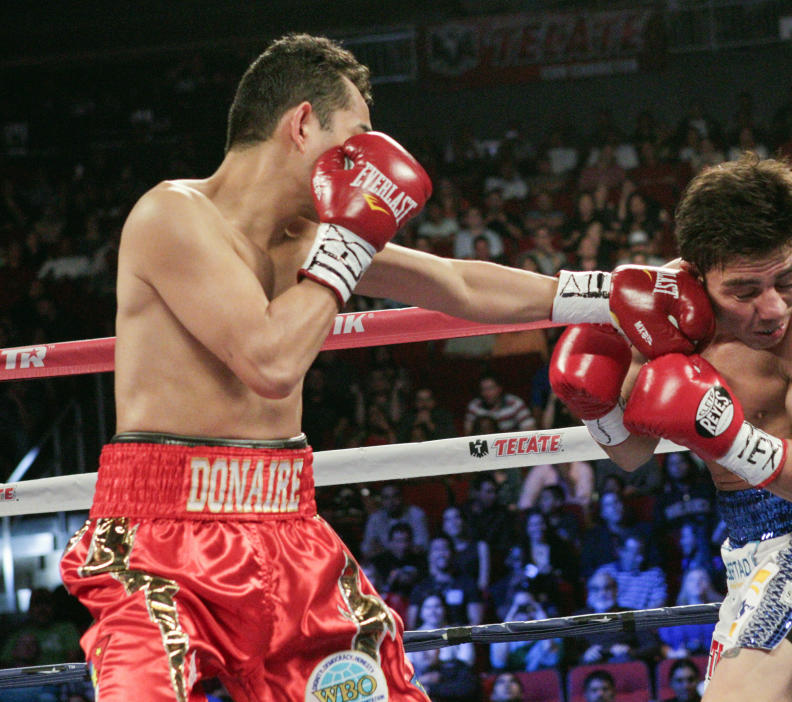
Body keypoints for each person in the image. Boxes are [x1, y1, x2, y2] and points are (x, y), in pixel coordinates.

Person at [57, 33, 653, 702]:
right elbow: (269, 360)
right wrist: (346, 244)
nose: (370, 161)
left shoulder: (311, 238)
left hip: (286, 519)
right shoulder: (173, 214)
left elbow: (457, 284)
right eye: (359, 136)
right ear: (303, 122)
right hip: (162, 536)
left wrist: (608, 293)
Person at [549, 154, 792, 702]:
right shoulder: (663, 305)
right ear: (697, 274)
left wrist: (725, 433)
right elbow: (632, 454)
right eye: (744, 291)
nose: (772, 308)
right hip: (744, 542)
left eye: (786, 278)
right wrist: (598, 410)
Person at [361, 480, 431, 558]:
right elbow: (366, 549)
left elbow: (422, 547)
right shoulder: (375, 519)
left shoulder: (416, 514)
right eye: (386, 498)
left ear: (402, 497)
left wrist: (384, 549)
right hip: (385, 563)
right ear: (381, 500)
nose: (391, 502)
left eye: (395, 496)